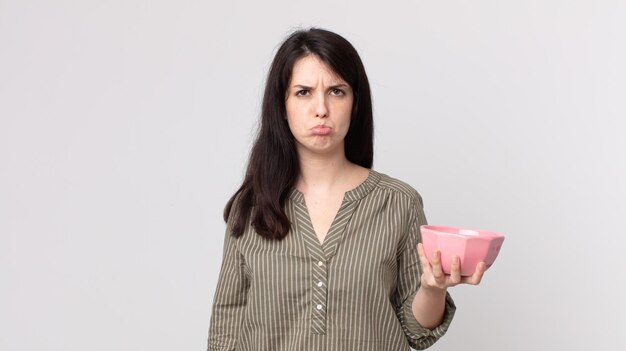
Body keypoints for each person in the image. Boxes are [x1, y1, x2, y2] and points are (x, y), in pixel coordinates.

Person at [207, 28, 486, 351]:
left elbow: (416, 331)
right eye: (303, 92)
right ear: (281, 106)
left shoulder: (398, 203)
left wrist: (433, 288)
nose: (321, 109)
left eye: (337, 91)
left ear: (355, 103)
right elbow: (226, 328)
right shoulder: (253, 206)